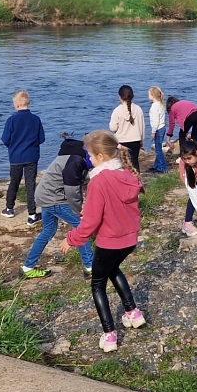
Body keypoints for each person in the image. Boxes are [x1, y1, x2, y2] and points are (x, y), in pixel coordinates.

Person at [60, 130, 146, 353]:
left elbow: (89, 225)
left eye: (89, 154)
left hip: (110, 241)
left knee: (97, 283)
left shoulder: (98, 181)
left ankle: (109, 335)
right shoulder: (128, 174)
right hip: (129, 239)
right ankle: (133, 313)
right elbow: (112, 209)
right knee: (113, 268)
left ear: (99, 156)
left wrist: (71, 239)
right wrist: (90, 213)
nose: (88, 159)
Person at [21, 136, 93, 279]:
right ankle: (90, 267)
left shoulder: (75, 154)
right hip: (53, 198)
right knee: (82, 227)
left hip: (44, 194)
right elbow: (72, 190)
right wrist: (80, 211)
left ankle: (27, 267)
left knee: (49, 230)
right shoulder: (76, 161)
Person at [1, 90, 45, 225]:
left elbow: (5, 139)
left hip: (15, 156)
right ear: (28, 102)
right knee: (30, 184)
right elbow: (41, 139)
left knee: (14, 181)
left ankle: (9, 208)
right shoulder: (36, 119)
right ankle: (32, 215)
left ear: (16, 104)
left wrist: (13, 147)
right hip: (32, 156)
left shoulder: (12, 120)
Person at [109, 85, 145, 174]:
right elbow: (142, 126)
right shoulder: (138, 109)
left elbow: (113, 128)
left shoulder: (117, 110)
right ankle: (137, 181)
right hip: (136, 140)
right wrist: (141, 141)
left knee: (122, 164)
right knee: (134, 163)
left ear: (120, 97)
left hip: (122, 141)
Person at [147, 86, 168, 173]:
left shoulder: (154, 107)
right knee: (158, 148)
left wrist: (153, 132)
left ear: (152, 95)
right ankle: (157, 165)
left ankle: (163, 167)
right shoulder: (160, 104)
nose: (148, 96)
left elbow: (155, 121)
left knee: (158, 149)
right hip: (162, 128)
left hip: (158, 129)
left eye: (149, 94)